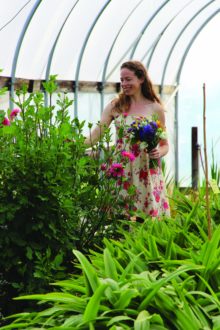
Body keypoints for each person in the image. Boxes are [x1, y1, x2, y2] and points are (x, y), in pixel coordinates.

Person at [85, 60, 170, 218]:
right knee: (120, 216)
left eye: (128, 79)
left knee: (146, 219)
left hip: (147, 171)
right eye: (122, 80)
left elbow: (165, 144)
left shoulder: (155, 108)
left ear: (141, 79)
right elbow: (97, 133)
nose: (124, 83)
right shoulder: (115, 106)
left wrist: (159, 152)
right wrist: (75, 144)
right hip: (122, 168)